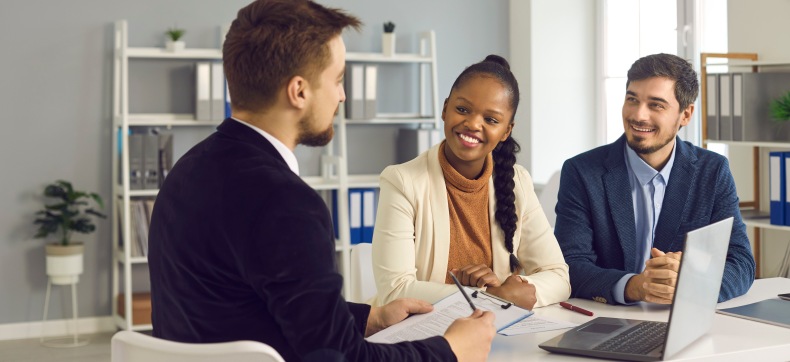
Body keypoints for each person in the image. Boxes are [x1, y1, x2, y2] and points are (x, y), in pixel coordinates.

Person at [147, 1, 496, 361]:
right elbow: (342, 358)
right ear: (299, 91)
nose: (342, 95)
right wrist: (450, 350)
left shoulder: (187, 172)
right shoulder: (287, 202)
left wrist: (369, 318)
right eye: (338, 79)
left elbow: (244, 304)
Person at [371, 55, 571, 311]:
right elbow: (395, 291)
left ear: (506, 131)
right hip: (420, 336)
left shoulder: (517, 181)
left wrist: (513, 290)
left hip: (494, 335)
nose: (473, 124)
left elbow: (558, 276)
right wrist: (490, 297)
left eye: (491, 120)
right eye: (463, 109)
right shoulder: (402, 181)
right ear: (445, 109)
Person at [554, 53, 755, 306]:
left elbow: (740, 262)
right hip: (606, 320)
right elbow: (568, 265)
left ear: (686, 114)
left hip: (682, 321)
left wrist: (692, 283)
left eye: (656, 105)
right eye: (632, 99)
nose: (639, 115)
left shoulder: (712, 171)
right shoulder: (582, 172)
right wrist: (634, 286)